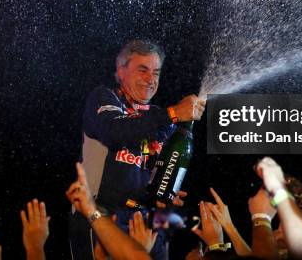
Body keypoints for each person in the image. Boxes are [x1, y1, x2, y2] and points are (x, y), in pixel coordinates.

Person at [69, 39, 206, 260]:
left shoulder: (160, 118)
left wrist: (165, 194)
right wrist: (173, 113)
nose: (150, 80)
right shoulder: (104, 97)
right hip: (101, 215)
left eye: (156, 73)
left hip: (146, 221)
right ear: (121, 71)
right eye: (142, 70)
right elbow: (115, 131)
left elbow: (158, 174)